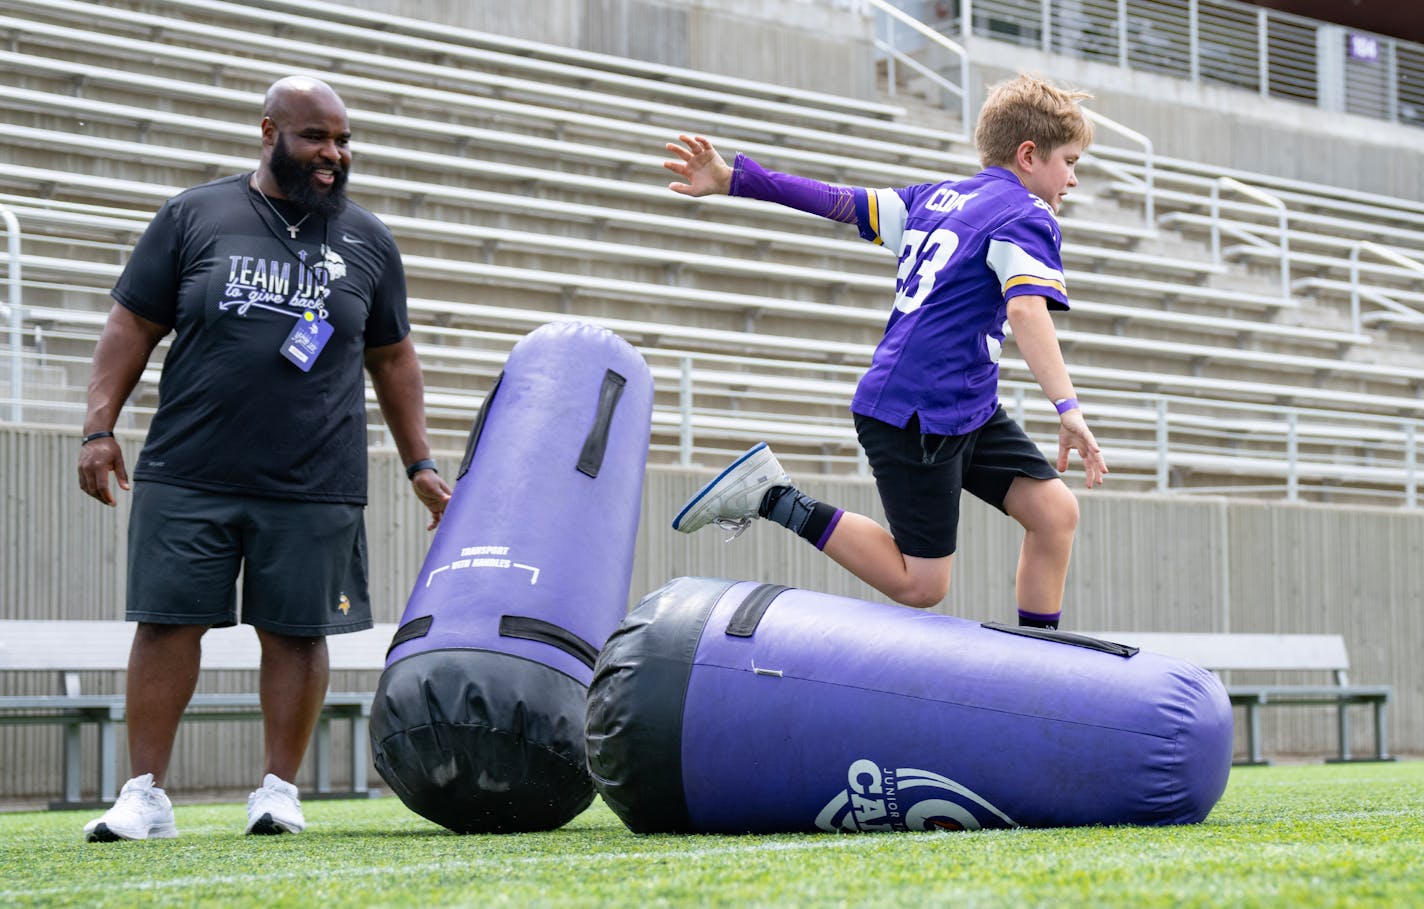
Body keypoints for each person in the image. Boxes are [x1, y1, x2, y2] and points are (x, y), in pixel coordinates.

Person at [76, 76, 451, 842]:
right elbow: (130, 325)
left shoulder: (368, 239)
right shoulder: (195, 215)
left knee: (297, 631)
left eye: (343, 141)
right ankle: (143, 793)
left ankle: (278, 790)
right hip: (190, 467)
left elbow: (394, 358)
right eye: (316, 137)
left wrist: (420, 464)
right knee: (166, 623)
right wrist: (98, 427)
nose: (333, 155)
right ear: (269, 130)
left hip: (315, 477)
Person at [665, 73, 1108, 628]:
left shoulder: (935, 199)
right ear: (1028, 155)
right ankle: (774, 496)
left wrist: (735, 180)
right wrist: (1068, 411)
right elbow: (1025, 309)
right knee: (922, 585)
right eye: (1069, 161)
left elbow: (836, 200)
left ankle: (1040, 655)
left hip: (961, 403)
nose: (1071, 179)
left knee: (1053, 511)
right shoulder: (1026, 214)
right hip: (917, 413)